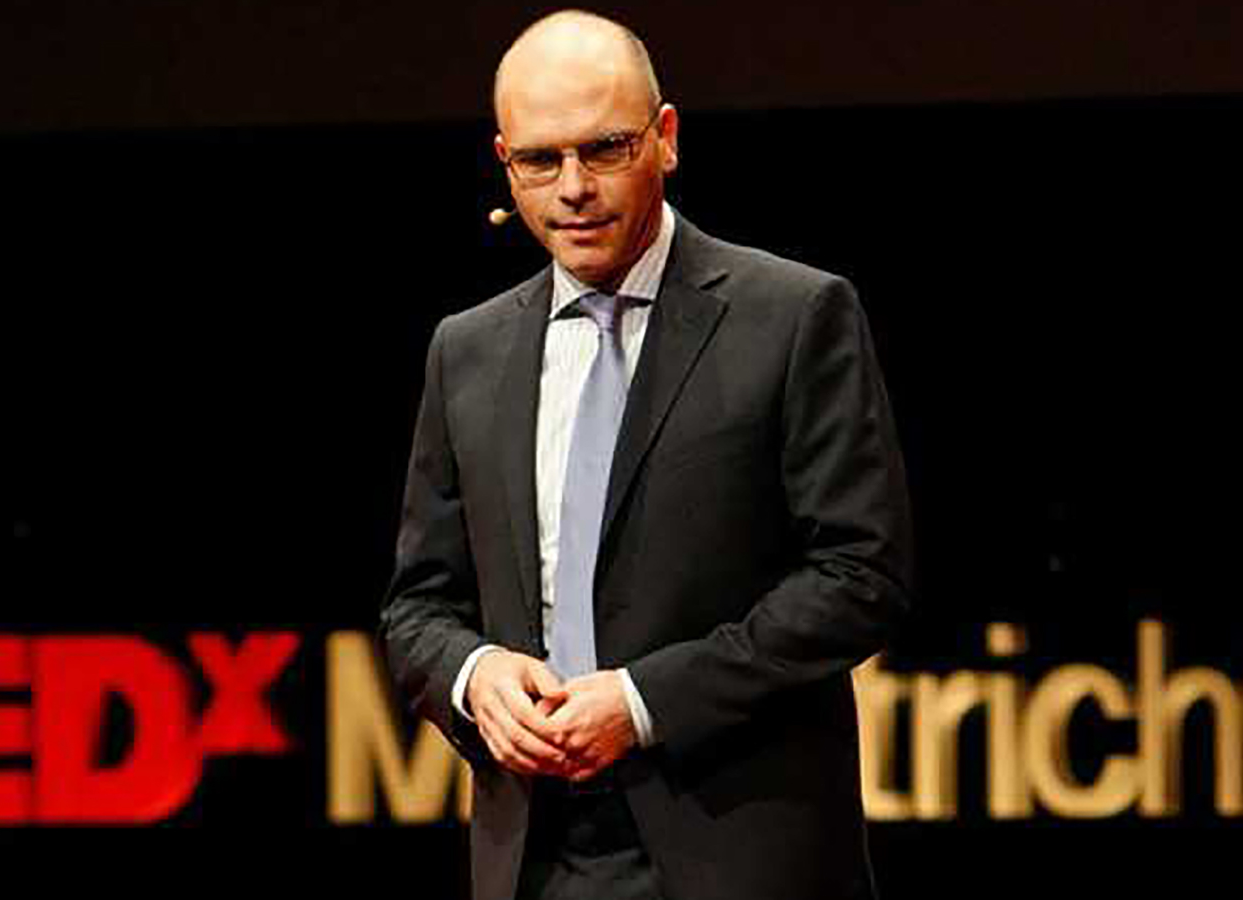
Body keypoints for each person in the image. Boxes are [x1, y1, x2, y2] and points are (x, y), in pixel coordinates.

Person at [380, 10, 913, 900]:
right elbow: (418, 606)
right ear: (504, 160)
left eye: (605, 149)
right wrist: (475, 679)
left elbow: (864, 576)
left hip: (741, 850)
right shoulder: (465, 351)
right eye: (541, 161)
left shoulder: (791, 316)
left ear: (665, 140)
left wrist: (639, 703)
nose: (573, 188)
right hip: (536, 858)